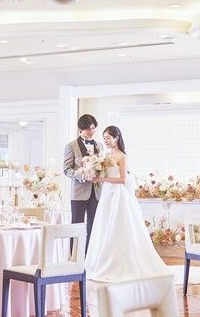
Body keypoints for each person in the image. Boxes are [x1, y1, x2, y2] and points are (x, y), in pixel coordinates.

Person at [85, 125, 170, 282]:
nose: (106, 141)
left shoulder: (122, 156)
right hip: (106, 195)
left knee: (118, 227)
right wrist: (92, 171)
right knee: (104, 226)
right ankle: (102, 262)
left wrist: (100, 179)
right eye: (104, 138)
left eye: (108, 138)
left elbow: (122, 179)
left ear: (116, 138)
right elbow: (102, 171)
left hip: (118, 195)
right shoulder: (104, 155)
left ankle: (121, 264)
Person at [63, 114, 101, 252]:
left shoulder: (99, 146)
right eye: (88, 129)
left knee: (94, 227)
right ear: (80, 129)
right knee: (76, 226)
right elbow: (67, 170)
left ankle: (89, 257)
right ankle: (74, 258)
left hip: (96, 193)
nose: (91, 131)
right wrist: (82, 176)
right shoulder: (71, 146)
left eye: (93, 128)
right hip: (78, 193)